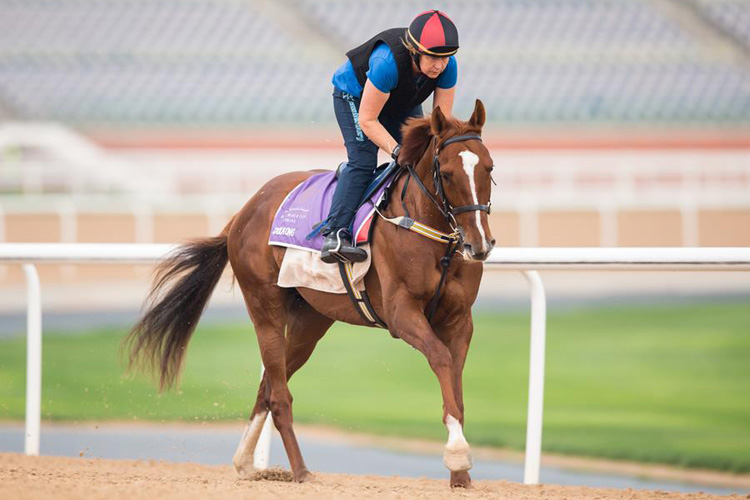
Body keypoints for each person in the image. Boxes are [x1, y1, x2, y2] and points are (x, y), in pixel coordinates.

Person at [320, 9, 459, 263]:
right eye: (432, 57)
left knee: (420, 155)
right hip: (355, 97)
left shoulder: (447, 66)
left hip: (398, 100)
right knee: (363, 160)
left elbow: (441, 123)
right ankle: (335, 233)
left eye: (446, 58)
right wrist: (396, 151)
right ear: (415, 51)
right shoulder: (387, 62)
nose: (440, 65)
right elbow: (368, 119)